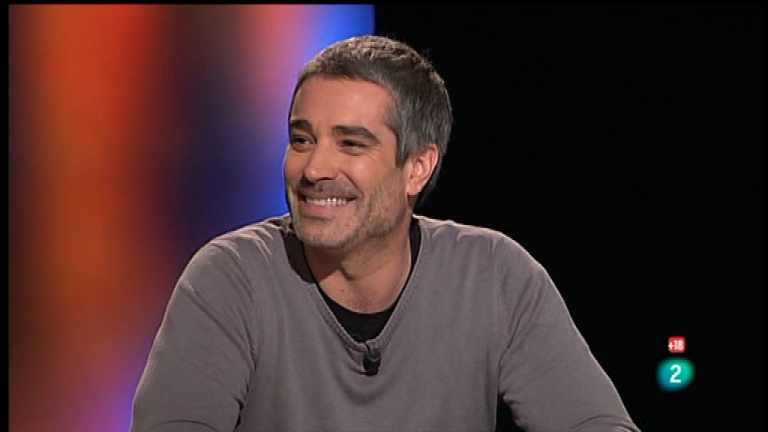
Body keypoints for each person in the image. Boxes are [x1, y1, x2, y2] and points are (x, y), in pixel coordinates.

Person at [131, 34, 640, 431]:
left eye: (351, 144)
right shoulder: (231, 279)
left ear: (417, 168)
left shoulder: (494, 276)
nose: (314, 169)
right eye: (302, 139)